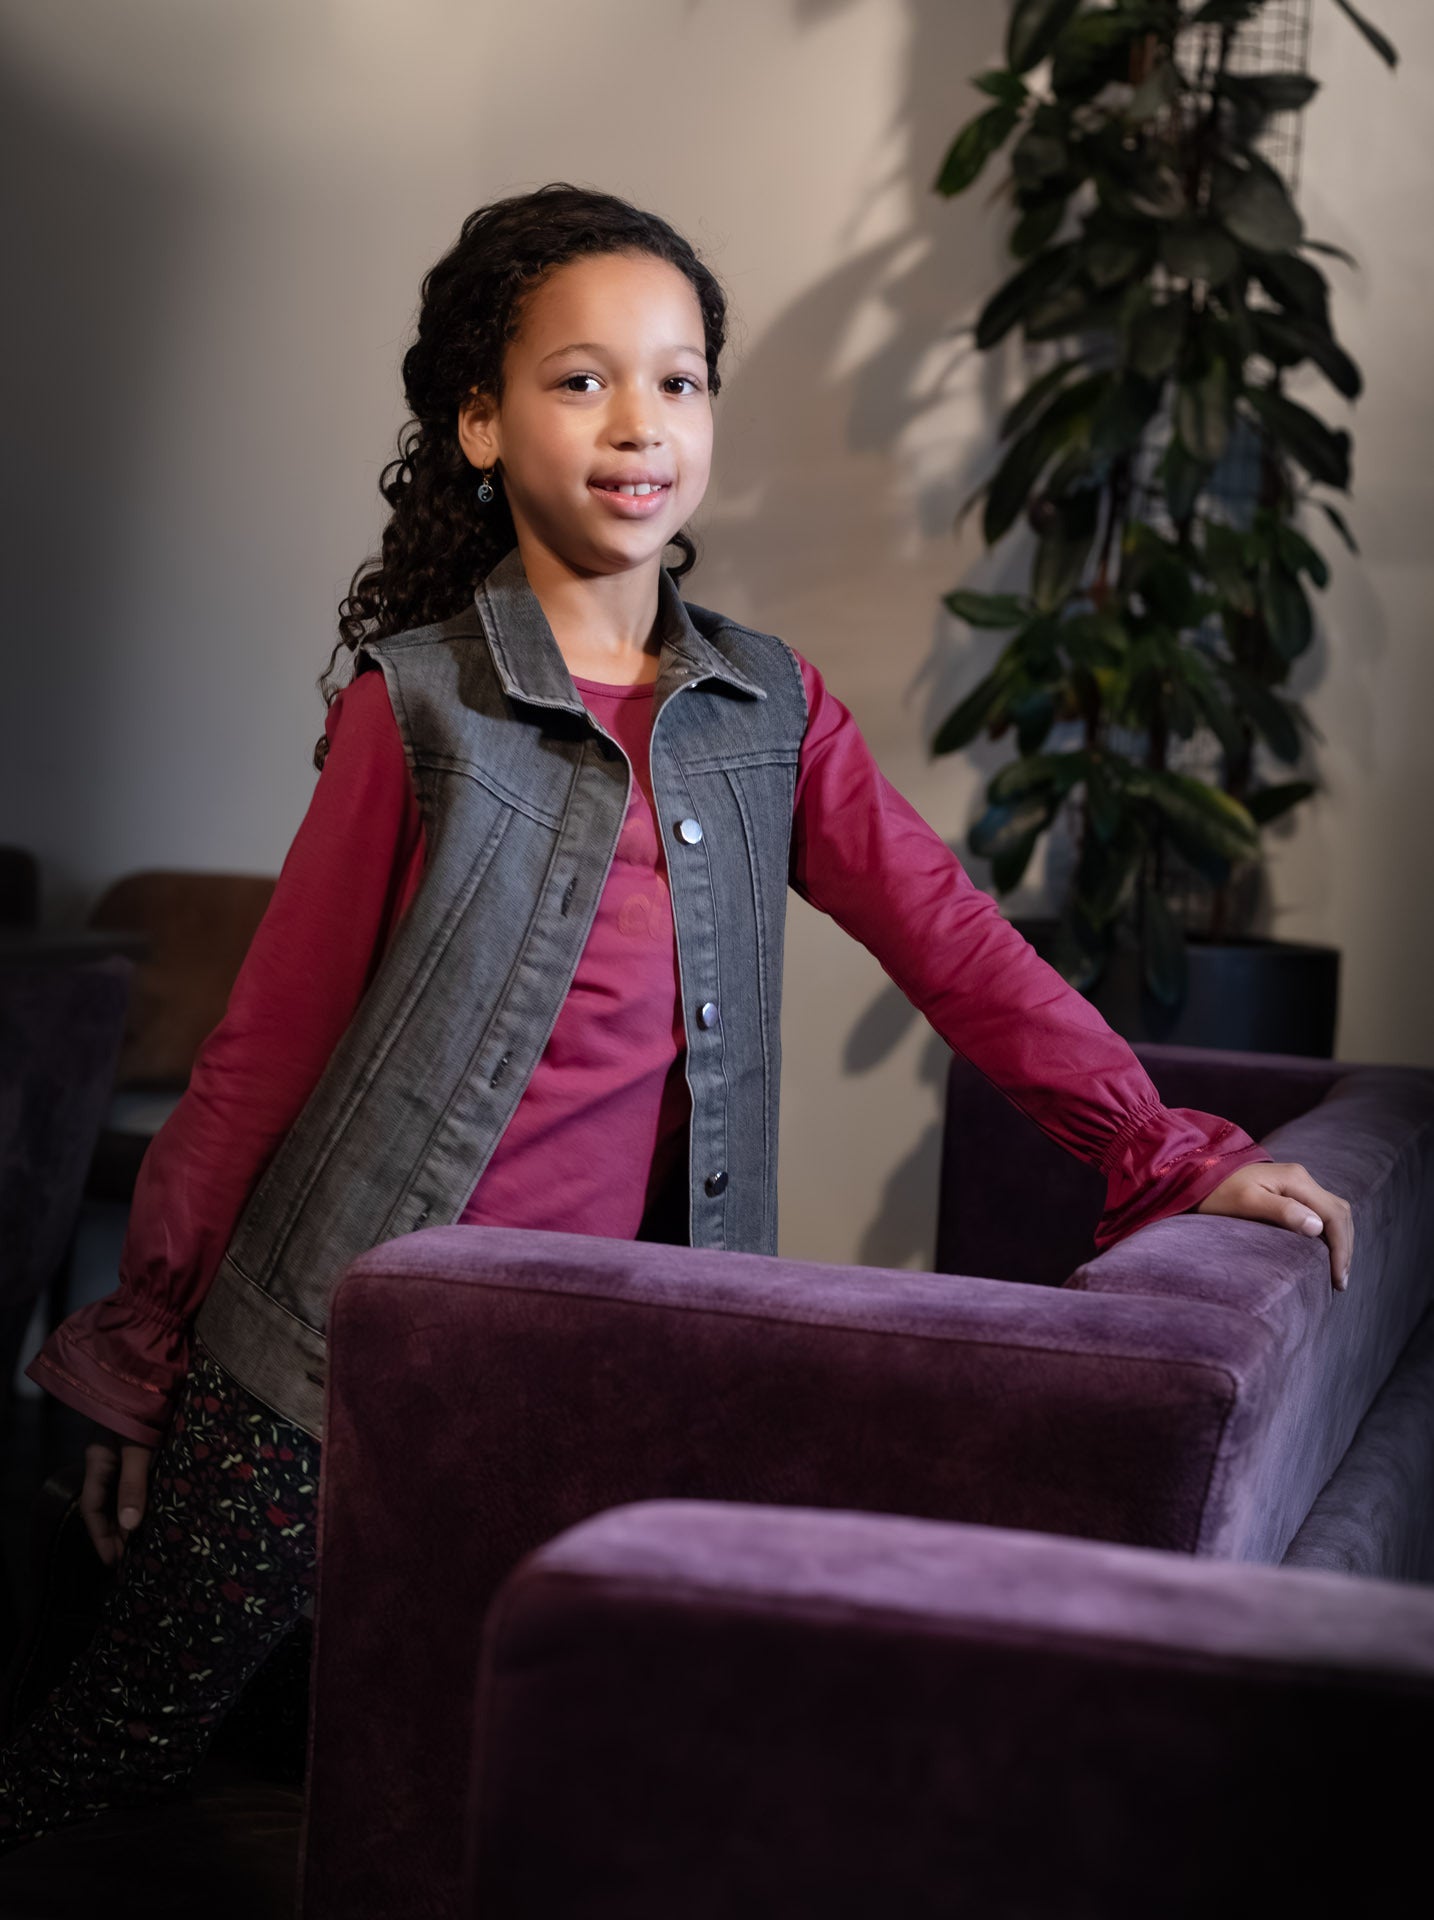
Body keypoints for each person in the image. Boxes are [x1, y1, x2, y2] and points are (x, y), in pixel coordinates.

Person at [0, 182, 1353, 1853]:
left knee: (527, 1771)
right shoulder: (414, 704)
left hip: (614, 1357)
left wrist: (1160, 1149)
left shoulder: (770, 709)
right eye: (580, 381)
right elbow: (260, 1054)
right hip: (324, 1349)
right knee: (116, 1748)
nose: (639, 423)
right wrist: (142, 1358)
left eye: (679, 379)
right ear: (481, 425)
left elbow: (950, 940)